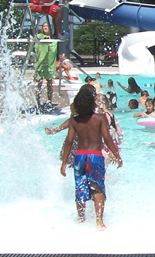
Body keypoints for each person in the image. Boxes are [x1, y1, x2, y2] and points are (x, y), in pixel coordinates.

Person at [60, 84, 122, 230]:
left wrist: (63, 163)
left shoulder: (75, 121)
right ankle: (99, 222)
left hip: (79, 156)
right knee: (97, 188)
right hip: (95, 156)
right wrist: (116, 154)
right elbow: (107, 138)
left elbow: (69, 141)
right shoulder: (100, 118)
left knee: (80, 186)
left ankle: (81, 219)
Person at [96, 94, 123, 168]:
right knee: (104, 169)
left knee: (100, 170)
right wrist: (119, 147)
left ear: (100, 103)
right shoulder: (112, 116)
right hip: (113, 145)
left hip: (103, 145)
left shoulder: (100, 116)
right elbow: (120, 133)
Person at [34, 22, 57, 107]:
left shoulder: (54, 39)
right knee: (39, 83)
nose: (45, 27)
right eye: (44, 26)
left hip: (50, 64)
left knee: (50, 83)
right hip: (41, 63)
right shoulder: (40, 36)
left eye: (47, 26)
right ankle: (37, 101)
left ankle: (49, 100)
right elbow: (42, 39)